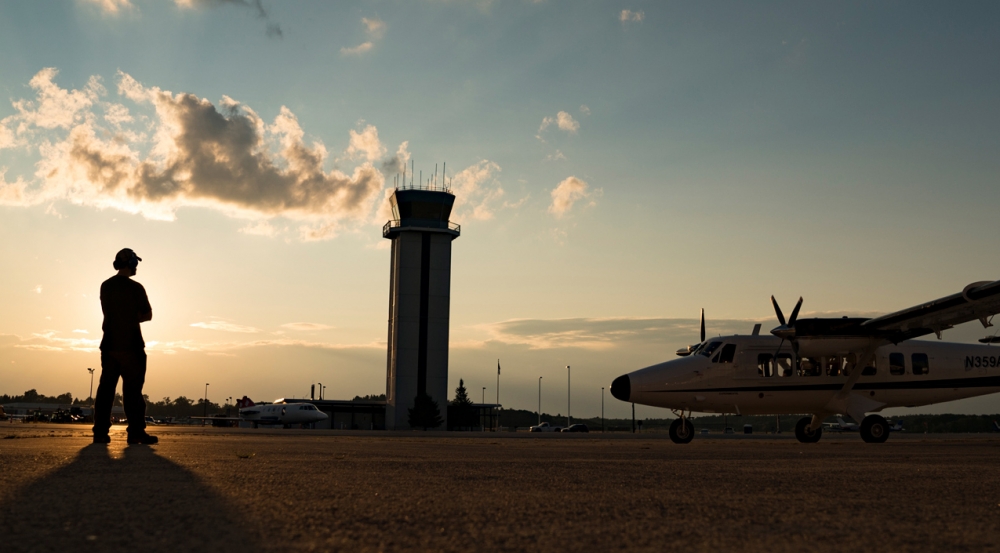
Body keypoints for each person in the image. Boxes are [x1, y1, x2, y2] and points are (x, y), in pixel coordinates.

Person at [93, 248, 158, 445]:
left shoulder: (106, 286)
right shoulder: (136, 288)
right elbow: (147, 315)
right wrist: (131, 318)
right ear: (131, 264)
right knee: (133, 393)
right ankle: (136, 432)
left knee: (106, 391)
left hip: (109, 346)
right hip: (131, 346)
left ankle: (100, 433)